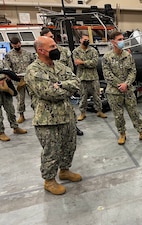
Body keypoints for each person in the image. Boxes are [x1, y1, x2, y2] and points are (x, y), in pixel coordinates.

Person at [25, 36, 82, 195]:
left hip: (67, 115)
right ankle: (49, 180)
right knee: (51, 151)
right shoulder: (34, 70)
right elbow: (49, 93)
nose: (56, 49)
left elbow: (76, 82)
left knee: (69, 146)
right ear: (41, 50)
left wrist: (61, 84)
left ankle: (64, 170)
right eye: (52, 47)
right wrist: (64, 89)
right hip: (47, 120)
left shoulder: (60, 66)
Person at [102, 31, 142, 145]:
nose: (122, 41)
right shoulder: (107, 57)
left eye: (122, 39)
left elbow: (133, 71)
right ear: (112, 42)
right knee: (118, 115)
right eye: (119, 39)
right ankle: (122, 134)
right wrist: (120, 84)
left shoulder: (128, 55)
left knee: (134, 113)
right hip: (114, 92)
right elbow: (107, 74)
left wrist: (126, 84)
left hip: (128, 90)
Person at [40, 27, 83, 136]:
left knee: (69, 109)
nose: (52, 40)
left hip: (64, 85)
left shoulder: (63, 51)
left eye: (52, 38)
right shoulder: (38, 56)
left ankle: (74, 126)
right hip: (49, 104)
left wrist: (64, 85)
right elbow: (46, 90)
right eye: (49, 38)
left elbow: (71, 71)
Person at [72, 33, 107, 121]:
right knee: (83, 96)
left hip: (93, 77)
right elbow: (77, 63)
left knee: (97, 96)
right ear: (80, 40)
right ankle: (82, 113)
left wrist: (83, 62)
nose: (86, 41)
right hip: (82, 77)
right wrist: (87, 63)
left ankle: (99, 111)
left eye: (88, 40)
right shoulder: (76, 51)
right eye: (85, 40)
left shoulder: (93, 51)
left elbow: (94, 63)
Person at [4, 36, 35, 123]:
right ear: (11, 45)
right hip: (17, 80)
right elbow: (7, 67)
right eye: (14, 45)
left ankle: (36, 112)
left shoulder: (28, 54)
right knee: (20, 99)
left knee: (34, 96)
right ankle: (21, 115)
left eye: (18, 44)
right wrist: (11, 75)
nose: (17, 46)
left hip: (29, 79)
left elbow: (34, 65)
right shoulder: (8, 55)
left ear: (20, 43)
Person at [0, 61, 27, 142]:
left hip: (6, 91)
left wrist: (6, 76)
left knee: (11, 110)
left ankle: (15, 127)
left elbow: (7, 71)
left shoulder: (1, 62)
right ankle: (1, 132)